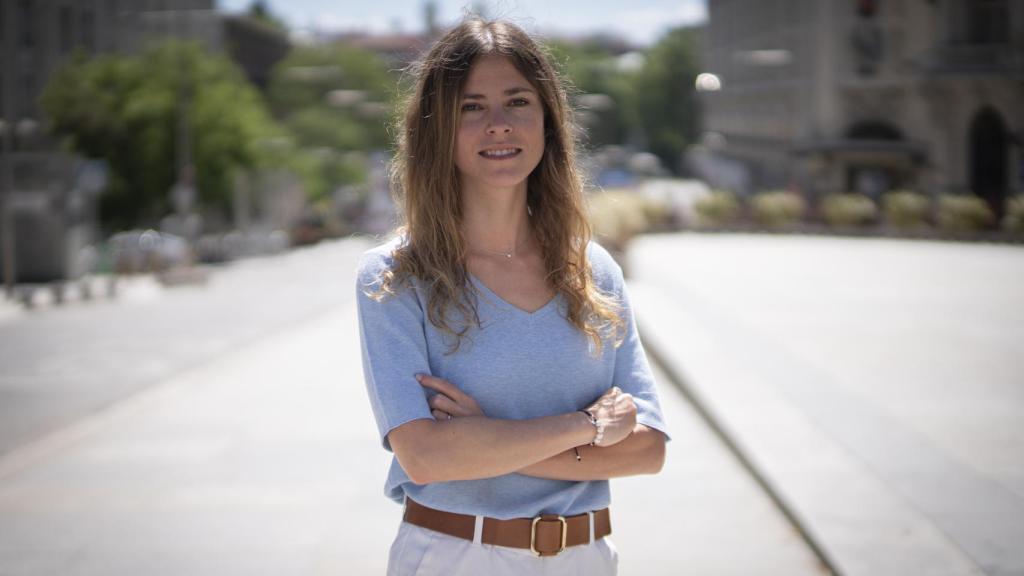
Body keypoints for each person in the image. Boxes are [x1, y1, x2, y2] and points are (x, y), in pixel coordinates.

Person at [356, 16, 671, 576]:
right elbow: (426, 457)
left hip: (586, 558)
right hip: (456, 555)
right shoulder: (394, 277)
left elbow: (648, 451)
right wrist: (587, 426)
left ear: (547, 120)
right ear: (438, 130)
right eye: (471, 107)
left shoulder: (591, 269)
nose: (498, 125)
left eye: (517, 102)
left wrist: (485, 442)